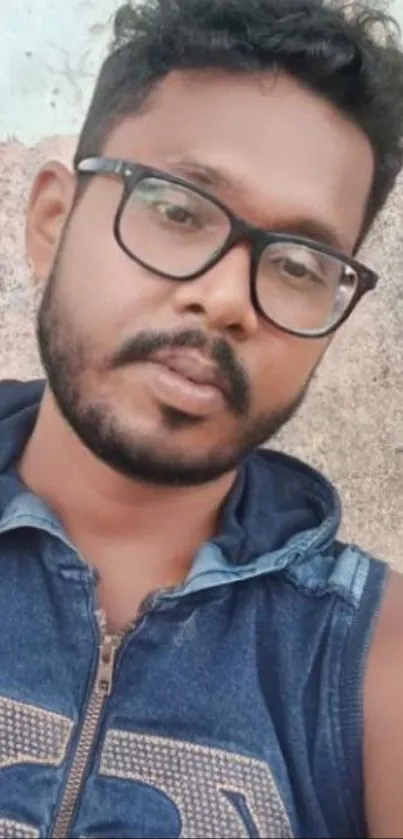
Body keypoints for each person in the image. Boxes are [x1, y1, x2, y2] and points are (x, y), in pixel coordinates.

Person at [1, 0, 403, 835]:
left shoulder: (368, 663)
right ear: (50, 223)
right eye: (178, 209)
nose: (225, 299)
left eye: (298, 262)